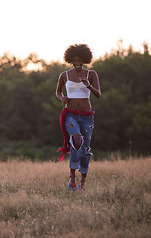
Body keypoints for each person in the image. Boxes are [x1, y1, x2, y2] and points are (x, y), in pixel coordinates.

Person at [55, 44, 101, 191]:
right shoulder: (64, 75)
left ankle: (83, 181)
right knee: (76, 140)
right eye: (74, 60)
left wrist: (88, 86)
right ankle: (72, 176)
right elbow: (58, 92)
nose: (77, 63)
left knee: (85, 148)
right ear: (70, 60)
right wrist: (62, 98)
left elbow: (98, 94)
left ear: (85, 60)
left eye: (80, 60)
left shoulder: (91, 74)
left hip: (87, 116)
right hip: (70, 115)